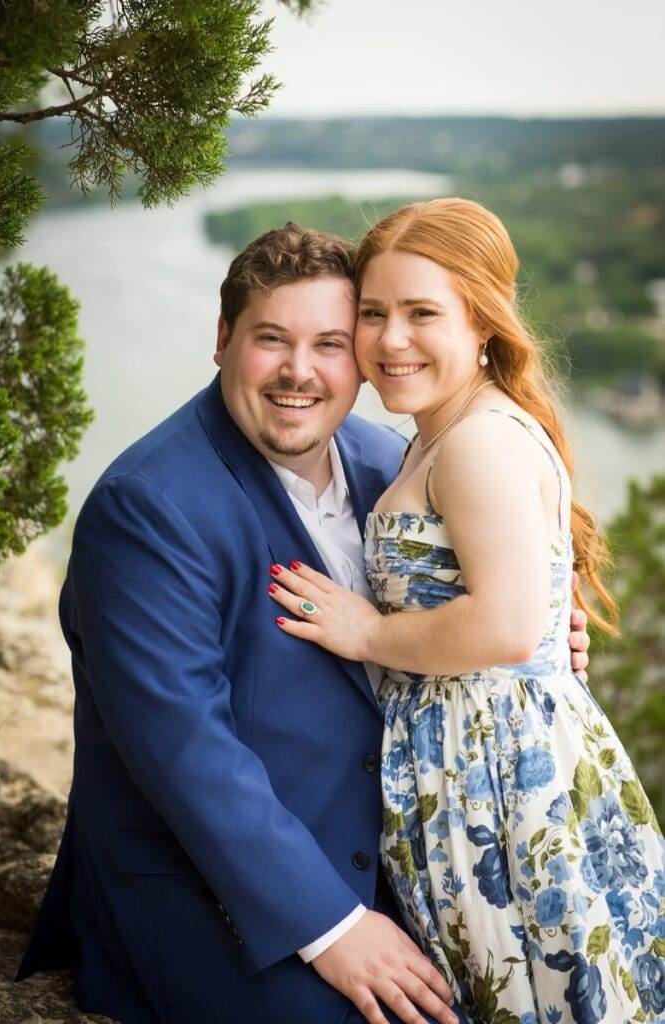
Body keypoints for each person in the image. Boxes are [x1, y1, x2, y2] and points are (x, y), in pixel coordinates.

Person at [17, 222, 589, 1024]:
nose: (299, 372)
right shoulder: (147, 506)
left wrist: (528, 638)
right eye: (271, 339)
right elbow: (184, 749)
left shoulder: (384, 460)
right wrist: (332, 926)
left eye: (329, 342)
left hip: (399, 866)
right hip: (215, 893)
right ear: (222, 340)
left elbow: (471, 606)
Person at [267, 199, 665, 1024]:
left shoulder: (477, 440)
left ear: (481, 320)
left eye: (422, 313)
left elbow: (506, 626)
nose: (391, 339)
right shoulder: (431, 435)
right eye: (372, 314)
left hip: (505, 791)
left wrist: (368, 631)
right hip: (475, 775)